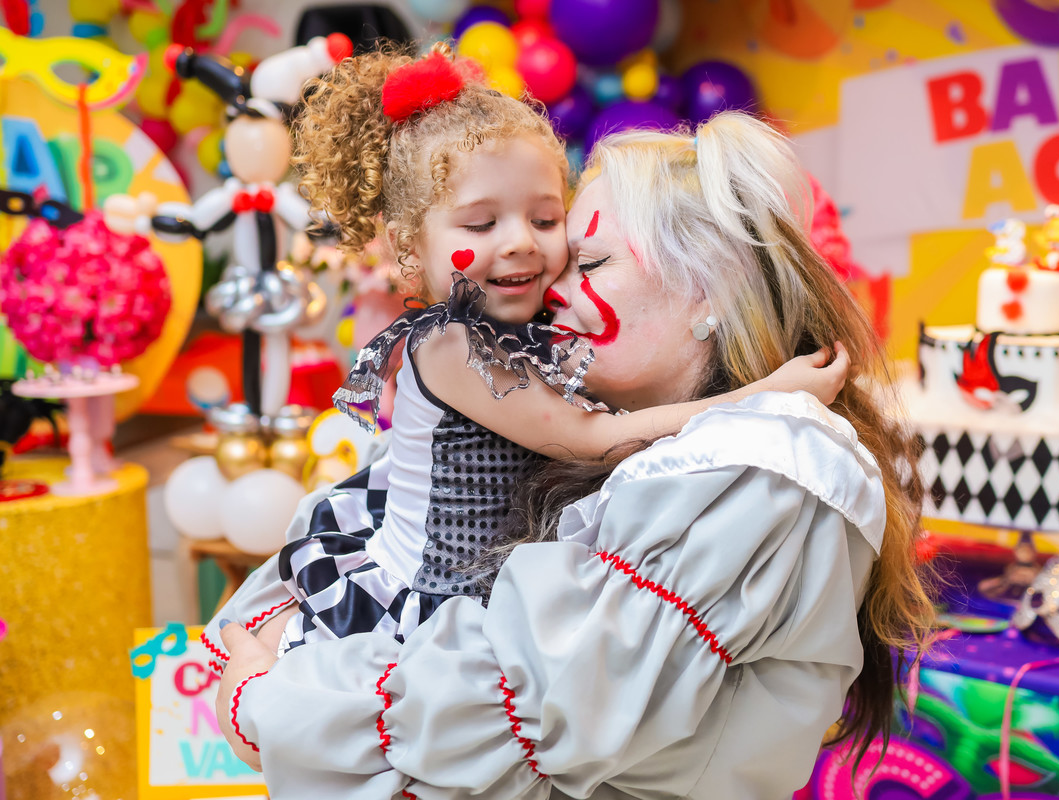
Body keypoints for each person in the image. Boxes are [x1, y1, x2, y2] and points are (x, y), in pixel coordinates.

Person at [213, 111, 934, 799]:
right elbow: (363, 530)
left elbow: (519, 706)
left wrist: (268, 705)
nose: (547, 290)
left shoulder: (760, 468)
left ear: (710, 284)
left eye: (583, 257)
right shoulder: (608, 423)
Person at [198, 45, 846, 671]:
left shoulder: (518, 319)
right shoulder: (455, 344)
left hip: (489, 581)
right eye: (481, 226)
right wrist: (761, 398)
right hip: (434, 595)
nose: (521, 246)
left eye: (544, 220)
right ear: (406, 248)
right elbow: (592, 439)